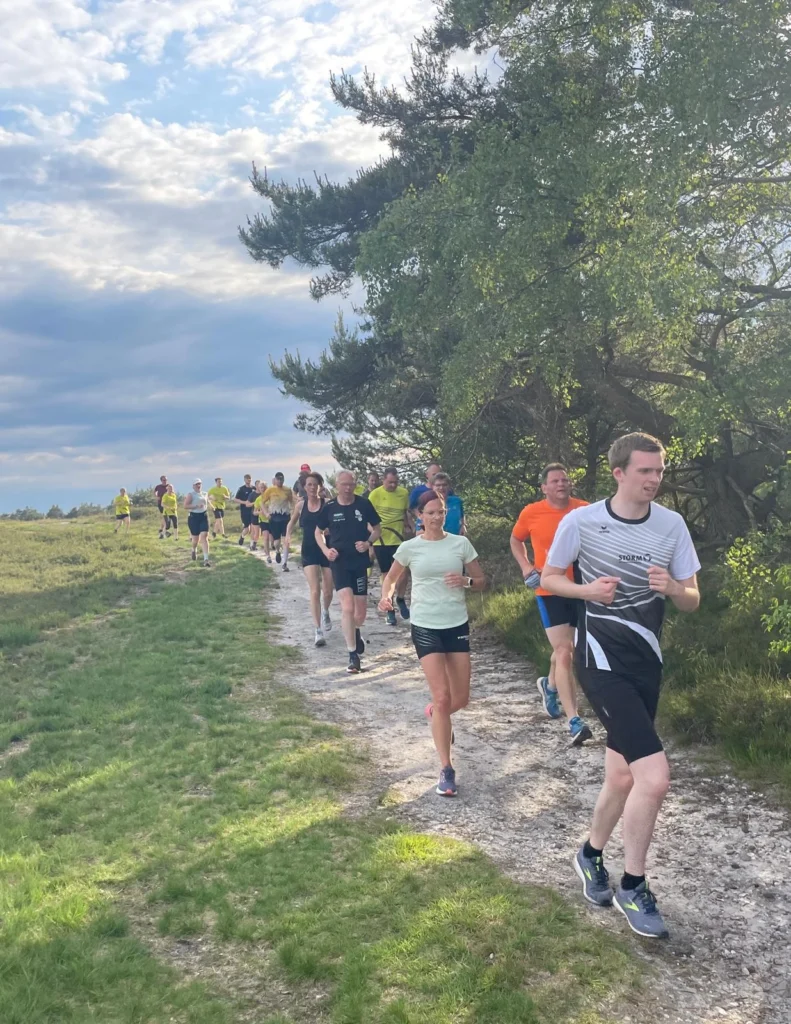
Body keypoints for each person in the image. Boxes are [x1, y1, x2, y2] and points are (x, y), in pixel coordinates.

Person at [542, 433, 701, 940]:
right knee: (653, 777)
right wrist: (587, 590)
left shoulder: (672, 525)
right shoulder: (583, 521)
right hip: (599, 659)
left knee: (622, 777)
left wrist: (676, 589)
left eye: (659, 472)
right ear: (619, 473)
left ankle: (589, 855)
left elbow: (692, 598)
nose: (654, 480)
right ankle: (633, 886)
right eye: (645, 472)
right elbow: (549, 577)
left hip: (646, 662)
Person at [378, 489, 485, 797]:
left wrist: (465, 581)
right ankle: (446, 769)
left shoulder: (460, 543)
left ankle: (436, 715)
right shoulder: (410, 547)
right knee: (441, 698)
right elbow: (392, 577)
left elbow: (481, 582)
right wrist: (386, 597)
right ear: (419, 517)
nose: (438, 517)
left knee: (460, 699)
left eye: (441, 512)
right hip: (425, 624)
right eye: (431, 513)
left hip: (456, 624)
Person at [510, 463, 593, 746]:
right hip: (549, 588)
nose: (561, 484)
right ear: (544, 487)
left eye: (565, 480)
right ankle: (574, 720)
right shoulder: (531, 512)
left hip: (581, 588)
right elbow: (515, 539)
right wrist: (525, 567)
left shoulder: (584, 509)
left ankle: (549, 685)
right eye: (554, 481)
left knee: (569, 650)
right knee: (564, 650)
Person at [315, 470, 381, 673]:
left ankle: (356, 630)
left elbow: (378, 529)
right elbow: (318, 532)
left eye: (351, 484)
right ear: (337, 485)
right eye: (344, 484)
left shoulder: (363, 504)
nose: (348, 488)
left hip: (359, 562)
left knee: (360, 613)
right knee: (347, 606)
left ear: (356, 484)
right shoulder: (330, 507)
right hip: (339, 562)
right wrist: (326, 550)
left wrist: (368, 542)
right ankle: (352, 655)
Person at [285, 472, 334, 646]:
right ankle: (317, 630)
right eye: (309, 485)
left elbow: (337, 523)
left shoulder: (328, 504)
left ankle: (326, 611)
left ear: (320, 486)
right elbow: (291, 522)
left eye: (315, 484)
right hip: (309, 550)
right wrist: (288, 536)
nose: (312, 488)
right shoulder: (300, 506)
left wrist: (331, 531)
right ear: (304, 488)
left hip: (327, 550)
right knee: (315, 590)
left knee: (328, 591)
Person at [367, 467, 411, 625]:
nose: (393, 485)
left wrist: (410, 528)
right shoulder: (375, 494)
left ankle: (400, 599)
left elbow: (406, 514)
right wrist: (371, 541)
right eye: (390, 482)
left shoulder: (403, 493)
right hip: (381, 541)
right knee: (387, 577)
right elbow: (368, 519)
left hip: (399, 540)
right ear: (383, 480)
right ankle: (390, 609)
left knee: (404, 573)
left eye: (396, 482)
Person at [262, 472, 294, 569]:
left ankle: (285, 563)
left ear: (283, 480)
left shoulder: (288, 490)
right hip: (274, 517)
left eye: (281, 479)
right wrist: (266, 513)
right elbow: (262, 503)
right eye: (278, 479)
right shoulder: (270, 490)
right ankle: (277, 551)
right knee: (276, 542)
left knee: (286, 539)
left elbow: (291, 502)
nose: (280, 481)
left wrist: (293, 513)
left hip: (285, 516)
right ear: (275, 480)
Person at [184, 478, 213, 567]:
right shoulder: (191, 495)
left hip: (204, 516)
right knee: (195, 539)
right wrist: (196, 506)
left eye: (199, 484)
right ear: (193, 486)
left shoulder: (205, 493)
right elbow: (185, 506)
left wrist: (212, 505)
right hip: (193, 517)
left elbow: (207, 501)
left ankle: (206, 559)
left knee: (204, 536)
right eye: (196, 484)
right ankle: (193, 549)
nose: (198, 485)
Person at [233, 474, 256, 546]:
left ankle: (252, 544)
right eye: (247, 479)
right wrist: (244, 502)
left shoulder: (254, 488)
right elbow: (235, 499)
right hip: (244, 511)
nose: (248, 480)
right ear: (244, 480)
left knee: (253, 527)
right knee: (247, 529)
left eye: (250, 479)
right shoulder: (241, 489)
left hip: (253, 510)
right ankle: (242, 537)